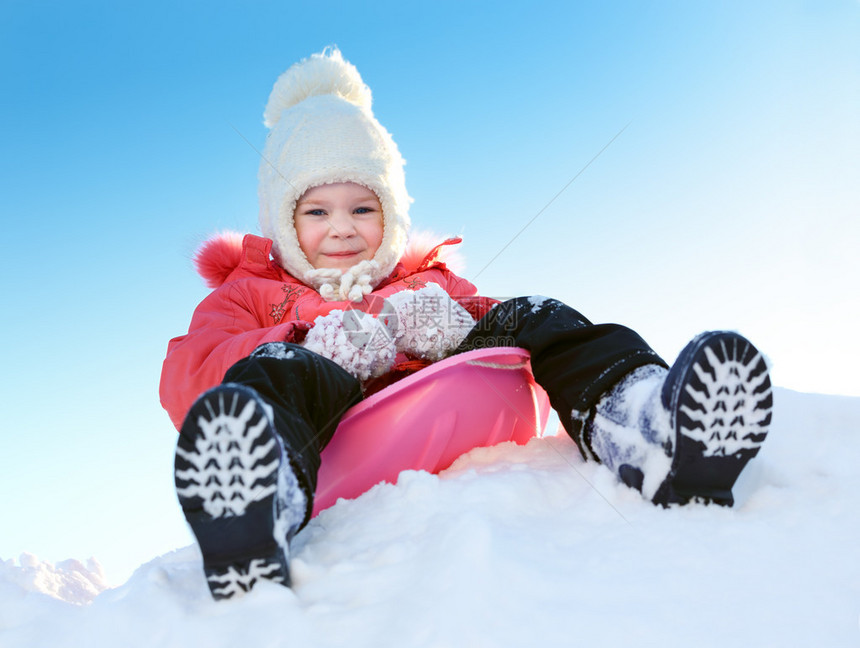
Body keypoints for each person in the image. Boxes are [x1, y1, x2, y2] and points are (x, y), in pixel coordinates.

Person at [160, 49, 773, 600]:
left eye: (363, 207)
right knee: (274, 371)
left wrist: (449, 319)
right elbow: (191, 372)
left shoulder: (424, 278)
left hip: (449, 407)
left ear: (392, 212)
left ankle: (643, 423)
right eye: (316, 210)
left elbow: (496, 324)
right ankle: (257, 503)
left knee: (536, 313)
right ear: (282, 219)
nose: (342, 227)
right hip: (328, 433)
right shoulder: (252, 292)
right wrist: (304, 336)